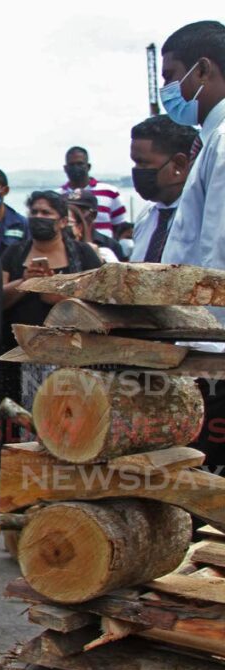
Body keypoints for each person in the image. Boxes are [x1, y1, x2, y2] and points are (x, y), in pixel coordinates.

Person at [158, 20, 225, 476]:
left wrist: (204, 350)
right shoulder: (214, 139)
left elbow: (218, 250)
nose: (169, 90)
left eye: (172, 76)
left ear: (202, 70)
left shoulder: (223, 141)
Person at [0, 191, 102, 398]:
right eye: (35, 212)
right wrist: (26, 282)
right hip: (19, 354)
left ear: (63, 221)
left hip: (72, 354)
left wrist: (60, 297)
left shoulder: (83, 254)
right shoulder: (14, 253)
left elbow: (99, 303)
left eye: (46, 213)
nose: (39, 217)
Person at [129, 115, 199, 263]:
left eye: (143, 164)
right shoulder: (146, 217)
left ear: (178, 166)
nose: (136, 170)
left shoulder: (202, 217)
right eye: (135, 163)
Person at [59, 146, 127, 237]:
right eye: (72, 165)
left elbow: (120, 226)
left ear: (88, 167)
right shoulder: (57, 195)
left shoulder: (109, 192)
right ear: (65, 168)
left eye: (80, 164)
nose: (76, 168)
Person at [65, 189, 125, 261]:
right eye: (67, 211)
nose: (72, 215)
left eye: (79, 211)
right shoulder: (57, 243)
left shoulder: (111, 245)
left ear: (93, 215)